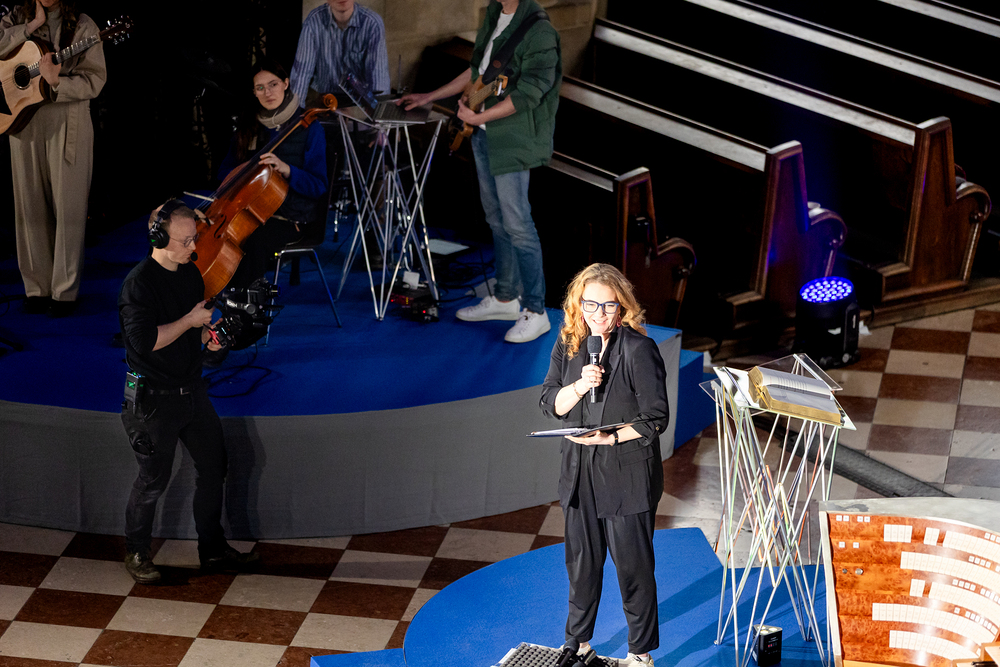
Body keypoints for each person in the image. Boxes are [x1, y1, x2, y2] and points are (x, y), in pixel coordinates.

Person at [399, 0, 561, 343]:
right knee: (496, 219)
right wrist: (430, 96)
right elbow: (479, 73)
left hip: (514, 138)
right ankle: (505, 298)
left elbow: (530, 93)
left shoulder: (540, 32)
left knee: (518, 224)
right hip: (483, 134)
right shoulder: (493, 14)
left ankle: (536, 311)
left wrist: (479, 116)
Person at [118, 201, 259, 584]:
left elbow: (191, 333)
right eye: (185, 241)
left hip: (192, 391)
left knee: (214, 468)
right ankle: (136, 552)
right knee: (152, 481)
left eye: (195, 239)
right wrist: (189, 321)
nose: (194, 248)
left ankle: (212, 549)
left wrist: (209, 339)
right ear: (158, 239)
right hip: (152, 400)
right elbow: (145, 342)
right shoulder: (139, 284)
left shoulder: (191, 274)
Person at [540, 263, 668, 666]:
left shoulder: (638, 349)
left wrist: (610, 437)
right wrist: (580, 384)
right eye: (591, 304)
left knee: (633, 570)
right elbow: (550, 403)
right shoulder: (570, 343)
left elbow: (655, 418)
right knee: (581, 565)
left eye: (609, 305)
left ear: (622, 307)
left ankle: (640, 654)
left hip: (627, 476)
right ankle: (577, 643)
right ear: (578, 304)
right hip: (580, 474)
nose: (599, 313)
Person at [0, 0, 105, 317]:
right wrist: (30, 27)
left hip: (66, 116)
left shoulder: (83, 25)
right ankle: (36, 288)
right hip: (22, 118)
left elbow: (95, 78)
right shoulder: (14, 18)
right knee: (29, 206)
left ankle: (63, 292)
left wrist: (58, 81)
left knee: (68, 206)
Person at [218, 59, 328, 290]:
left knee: (251, 241)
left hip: (291, 218)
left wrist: (288, 170)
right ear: (254, 92)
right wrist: (242, 172)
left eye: (273, 84)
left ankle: (244, 304)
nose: (267, 92)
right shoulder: (249, 124)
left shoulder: (309, 127)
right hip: (247, 212)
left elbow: (318, 185)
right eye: (260, 88)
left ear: (286, 83)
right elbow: (224, 173)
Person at [289, 0, 390, 107]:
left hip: (360, 105)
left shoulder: (372, 23)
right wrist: (295, 111)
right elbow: (301, 75)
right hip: (326, 102)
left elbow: (379, 82)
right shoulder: (313, 21)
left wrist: (377, 112)